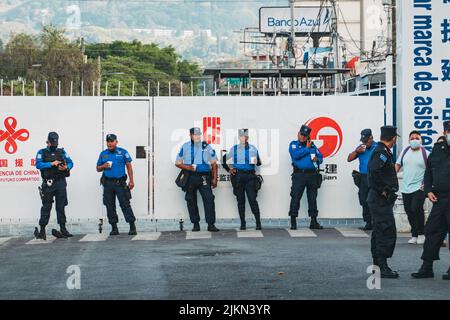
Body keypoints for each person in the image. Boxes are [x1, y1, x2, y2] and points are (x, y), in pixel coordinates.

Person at [412, 121, 450, 280]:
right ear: (445, 132)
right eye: (448, 130)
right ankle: (427, 267)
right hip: (439, 199)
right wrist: (428, 190)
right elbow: (428, 171)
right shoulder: (438, 149)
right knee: (432, 232)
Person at [367, 125, 400, 278]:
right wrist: (384, 190)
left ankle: (377, 265)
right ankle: (383, 266)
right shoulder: (381, 152)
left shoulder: (382, 151)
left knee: (379, 231)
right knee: (386, 231)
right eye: (395, 138)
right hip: (380, 200)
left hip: (379, 200)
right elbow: (374, 172)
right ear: (393, 138)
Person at [175, 127, 220, 232]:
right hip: (190, 177)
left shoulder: (207, 146)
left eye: (199, 134)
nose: (197, 136)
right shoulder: (185, 147)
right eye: (195, 135)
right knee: (191, 200)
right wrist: (187, 167)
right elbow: (177, 163)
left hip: (204, 176)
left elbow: (214, 163)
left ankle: (211, 224)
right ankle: (195, 224)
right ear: (190, 135)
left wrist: (214, 179)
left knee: (209, 199)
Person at [35, 132, 74, 240]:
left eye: (55, 143)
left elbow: (71, 162)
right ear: (48, 141)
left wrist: (66, 167)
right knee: (46, 207)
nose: (54, 145)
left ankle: (63, 229)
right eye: (52, 143)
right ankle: (42, 230)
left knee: (61, 207)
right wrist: (51, 164)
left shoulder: (61, 151)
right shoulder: (41, 152)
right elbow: (38, 164)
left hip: (60, 182)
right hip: (48, 183)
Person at [96, 134, 137, 236]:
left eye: (112, 141)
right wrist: (103, 166)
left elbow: (129, 167)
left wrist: (131, 181)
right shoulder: (103, 154)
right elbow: (97, 168)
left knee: (125, 204)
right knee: (109, 205)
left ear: (116, 142)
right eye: (108, 141)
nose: (109, 143)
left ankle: (132, 226)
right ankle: (114, 228)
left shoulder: (122, 152)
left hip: (120, 183)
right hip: (108, 184)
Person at [223, 129, 262, 230]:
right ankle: (243, 223)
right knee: (240, 201)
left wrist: (256, 161)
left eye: (245, 136)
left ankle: (258, 223)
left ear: (247, 137)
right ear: (239, 137)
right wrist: (229, 169)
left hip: (250, 177)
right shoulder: (234, 149)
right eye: (241, 136)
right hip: (238, 177)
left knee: (252, 200)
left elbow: (259, 163)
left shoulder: (253, 149)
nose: (243, 138)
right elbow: (223, 159)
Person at [395, 131, 429, 245]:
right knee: (409, 211)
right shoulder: (405, 151)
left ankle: (421, 234)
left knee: (416, 209)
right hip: (405, 187)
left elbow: (431, 169)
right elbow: (398, 165)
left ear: (421, 140)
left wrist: (428, 184)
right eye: (412, 138)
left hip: (420, 187)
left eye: (417, 138)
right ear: (409, 140)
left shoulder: (425, 153)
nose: (414, 140)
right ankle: (414, 234)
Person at [288, 125, 324, 230]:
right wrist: (307, 149)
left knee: (312, 199)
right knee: (295, 197)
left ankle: (314, 221)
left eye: (305, 135)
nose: (303, 137)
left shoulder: (313, 146)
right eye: (301, 135)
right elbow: (295, 156)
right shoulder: (294, 145)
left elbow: (321, 157)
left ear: (308, 136)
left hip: (312, 175)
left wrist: (317, 159)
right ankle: (293, 222)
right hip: (299, 175)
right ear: (298, 134)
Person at [347, 129, 377, 230]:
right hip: (364, 177)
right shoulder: (360, 148)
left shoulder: (377, 147)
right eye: (363, 141)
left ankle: (375, 221)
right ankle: (368, 222)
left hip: (374, 177)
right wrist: (357, 151)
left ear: (371, 138)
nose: (364, 143)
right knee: (364, 200)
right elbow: (349, 159)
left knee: (374, 200)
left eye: (366, 141)